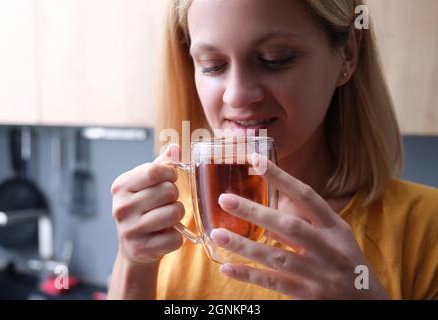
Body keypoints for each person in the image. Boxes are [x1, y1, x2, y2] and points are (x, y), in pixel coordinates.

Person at [107, 0, 438, 300]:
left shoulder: (426, 228)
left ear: (348, 54)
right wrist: (132, 262)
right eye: (212, 65)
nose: (237, 96)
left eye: (275, 59)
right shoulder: (165, 217)